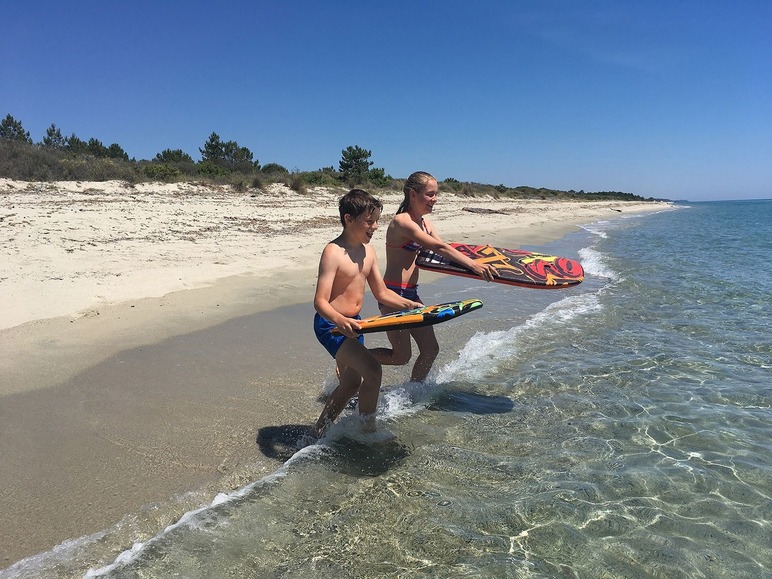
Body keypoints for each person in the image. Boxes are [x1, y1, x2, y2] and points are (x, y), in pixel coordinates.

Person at [313, 189, 422, 437]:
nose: (374, 227)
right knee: (373, 371)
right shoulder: (333, 252)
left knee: (351, 383)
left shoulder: (368, 252)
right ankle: (367, 433)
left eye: (376, 221)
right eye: (369, 221)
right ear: (349, 219)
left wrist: (410, 305)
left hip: (356, 324)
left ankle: (319, 432)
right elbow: (320, 302)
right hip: (331, 325)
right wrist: (340, 320)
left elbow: (382, 293)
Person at [372, 171, 496, 382]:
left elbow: (443, 249)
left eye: (435, 194)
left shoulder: (425, 223)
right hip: (392, 294)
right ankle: (352, 360)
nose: (434, 199)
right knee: (401, 356)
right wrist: (474, 265)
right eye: (430, 194)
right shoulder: (402, 222)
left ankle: (413, 393)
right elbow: (438, 247)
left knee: (430, 349)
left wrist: (477, 260)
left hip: (412, 293)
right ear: (413, 194)